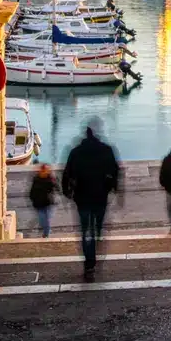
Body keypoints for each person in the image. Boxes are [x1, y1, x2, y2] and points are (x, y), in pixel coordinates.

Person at [62, 118, 122, 281]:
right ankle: (93, 253)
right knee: (97, 229)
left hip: (82, 197)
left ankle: (89, 263)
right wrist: (115, 189)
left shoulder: (75, 152)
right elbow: (116, 171)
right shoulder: (106, 150)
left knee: (85, 230)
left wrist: (67, 192)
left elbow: (67, 174)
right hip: (100, 196)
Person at [29, 163, 58, 237]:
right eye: (42, 170)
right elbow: (32, 190)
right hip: (39, 204)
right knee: (42, 220)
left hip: (49, 203)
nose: (43, 172)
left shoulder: (50, 179)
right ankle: (45, 230)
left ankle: (46, 235)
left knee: (47, 220)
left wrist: (53, 179)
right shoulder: (36, 179)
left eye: (45, 170)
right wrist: (32, 198)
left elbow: (57, 188)